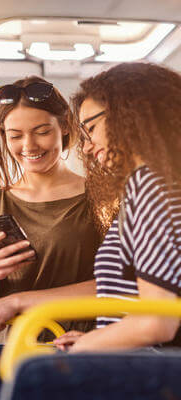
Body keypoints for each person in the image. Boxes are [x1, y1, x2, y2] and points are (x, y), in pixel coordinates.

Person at [0, 76, 101, 343]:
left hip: (77, 347)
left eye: (42, 132)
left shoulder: (102, 197)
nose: (29, 146)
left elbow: (118, 287)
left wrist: (19, 302)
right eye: (15, 136)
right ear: (3, 136)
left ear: (64, 126)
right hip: (5, 354)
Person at [54, 62, 181, 352]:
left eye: (92, 128)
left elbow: (157, 322)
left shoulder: (150, 185)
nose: (86, 147)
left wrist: (83, 348)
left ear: (129, 116)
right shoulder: (169, 182)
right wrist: (97, 339)